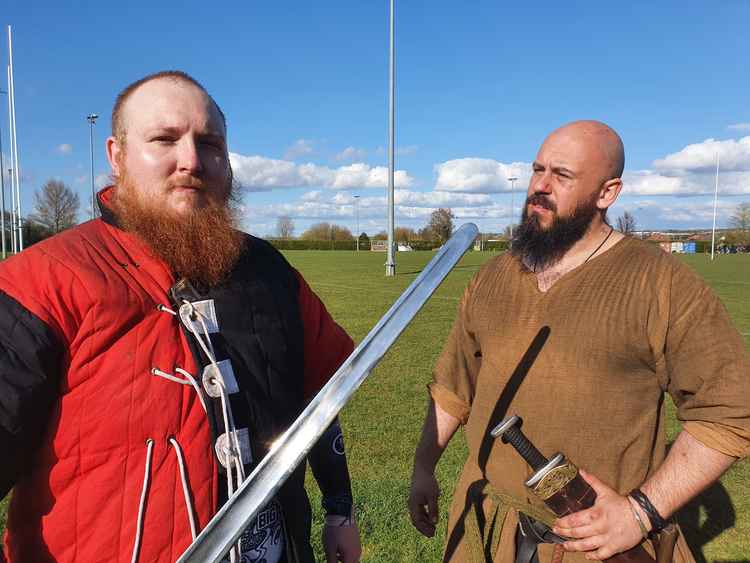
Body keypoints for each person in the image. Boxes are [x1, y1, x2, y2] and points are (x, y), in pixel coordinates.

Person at [0, 71, 362, 563]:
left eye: (210, 143)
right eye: (164, 139)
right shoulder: (41, 282)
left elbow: (322, 398)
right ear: (117, 155)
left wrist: (339, 509)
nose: (191, 160)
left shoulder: (272, 273)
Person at [408, 120, 750, 562]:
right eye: (537, 170)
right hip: (488, 531)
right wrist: (423, 466)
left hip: (595, 548)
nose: (540, 187)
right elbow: (455, 386)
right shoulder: (493, 277)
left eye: (562, 176)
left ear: (607, 193)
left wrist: (642, 512)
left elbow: (729, 412)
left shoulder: (660, 283)